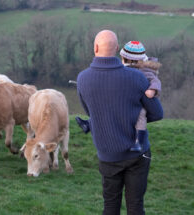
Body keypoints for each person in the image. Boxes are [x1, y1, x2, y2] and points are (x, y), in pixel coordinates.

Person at [76, 30, 163, 215]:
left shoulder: (83, 79)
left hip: (108, 155)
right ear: (116, 49)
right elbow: (157, 113)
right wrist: (132, 116)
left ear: (95, 48)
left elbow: (91, 113)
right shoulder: (137, 77)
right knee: (135, 206)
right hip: (138, 155)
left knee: (110, 205)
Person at [76, 41, 161, 152]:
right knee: (106, 105)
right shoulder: (129, 70)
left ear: (131, 60)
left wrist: (152, 90)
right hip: (127, 98)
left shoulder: (145, 71)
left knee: (140, 116)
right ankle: (89, 124)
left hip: (139, 103)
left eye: (124, 59)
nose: (122, 61)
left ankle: (139, 142)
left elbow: (155, 81)